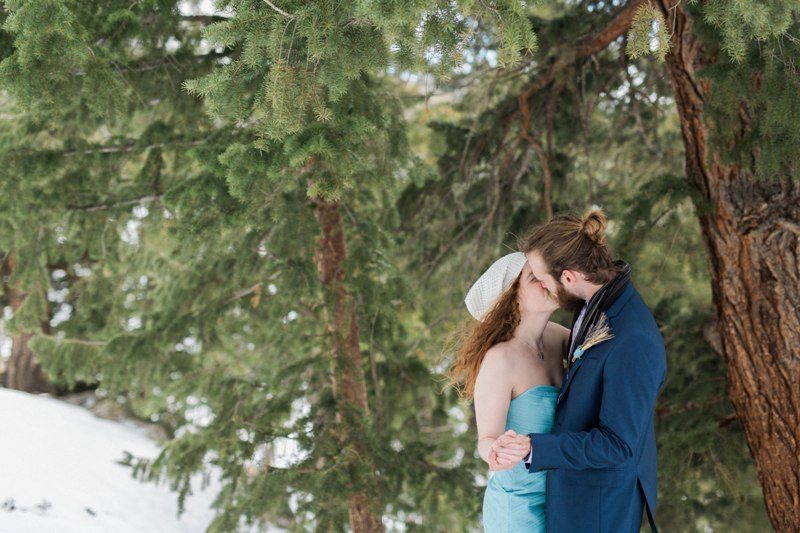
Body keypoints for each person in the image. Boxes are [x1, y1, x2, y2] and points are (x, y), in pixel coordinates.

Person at [491, 209, 666, 533]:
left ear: (568, 277)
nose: (542, 288)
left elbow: (618, 445)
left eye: (543, 280)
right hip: (567, 500)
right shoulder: (595, 302)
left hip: (597, 513)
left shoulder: (632, 339)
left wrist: (534, 447)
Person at [449, 251, 569, 532]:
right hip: (517, 510)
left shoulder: (555, 337)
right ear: (512, 299)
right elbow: (485, 440)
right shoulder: (500, 360)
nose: (547, 281)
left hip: (561, 499)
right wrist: (497, 451)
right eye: (534, 278)